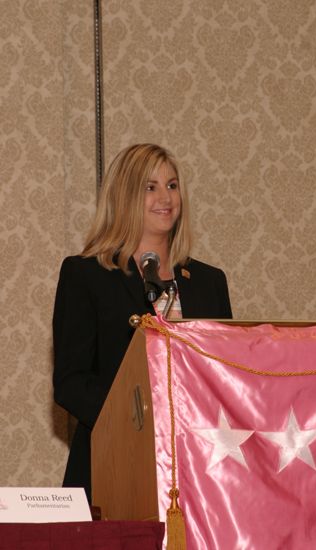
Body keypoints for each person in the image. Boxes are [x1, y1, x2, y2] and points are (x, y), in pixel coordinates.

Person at [52, 143, 232, 502]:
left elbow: (224, 376)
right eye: (149, 187)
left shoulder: (210, 282)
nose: (165, 197)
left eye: (172, 185)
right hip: (113, 463)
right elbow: (71, 382)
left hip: (198, 472)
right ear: (124, 196)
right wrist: (142, 419)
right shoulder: (86, 274)